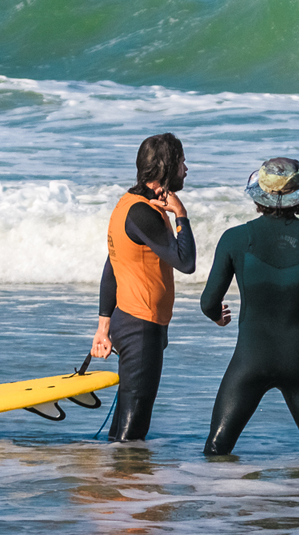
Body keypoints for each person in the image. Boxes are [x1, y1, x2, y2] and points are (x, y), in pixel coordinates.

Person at [200, 157, 299, 457]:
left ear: (259, 196)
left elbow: (208, 302)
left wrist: (218, 317)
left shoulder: (234, 239)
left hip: (249, 363)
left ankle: (215, 501)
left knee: (217, 450)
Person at [90, 133, 196, 442]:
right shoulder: (143, 213)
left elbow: (112, 266)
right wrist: (181, 215)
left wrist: (104, 326)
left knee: (125, 420)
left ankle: (112, 484)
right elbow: (185, 261)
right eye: (181, 162)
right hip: (141, 326)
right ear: (165, 168)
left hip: (130, 320)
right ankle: (126, 484)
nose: (186, 168)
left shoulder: (128, 204)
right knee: (134, 429)